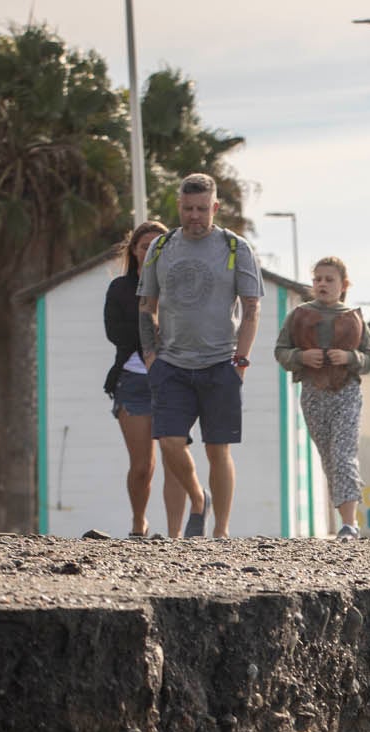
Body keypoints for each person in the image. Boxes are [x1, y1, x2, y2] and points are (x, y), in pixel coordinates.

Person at [137, 173, 261, 538]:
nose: (195, 216)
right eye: (189, 208)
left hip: (221, 363)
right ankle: (198, 498)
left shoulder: (236, 248)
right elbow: (147, 305)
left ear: (215, 207)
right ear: (179, 206)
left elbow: (252, 309)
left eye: (202, 209)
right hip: (172, 365)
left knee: (217, 450)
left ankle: (220, 531)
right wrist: (150, 355)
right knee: (171, 442)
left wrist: (241, 360)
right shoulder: (161, 248)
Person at [103, 220, 200, 536]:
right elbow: (115, 333)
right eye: (146, 247)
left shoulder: (183, 286)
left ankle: (174, 534)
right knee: (143, 465)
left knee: (175, 457)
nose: (152, 252)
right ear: (134, 250)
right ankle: (138, 524)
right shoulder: (119, 289)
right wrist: (151, 329)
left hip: (175, 379)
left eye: (160, 246)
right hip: (133, 379)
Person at [274, 257, 370, 538]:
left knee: (343, 454)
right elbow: (281, 351)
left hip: (347, 392)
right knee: (328, 458)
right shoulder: (299, 316)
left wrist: (350, 357)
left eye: (329, 279)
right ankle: (346, 519)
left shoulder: (354, 317)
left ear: (343, 285)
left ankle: (349, 523)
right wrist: (300, 356)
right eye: (317, 279)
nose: (322, 284)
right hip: (312, 393)